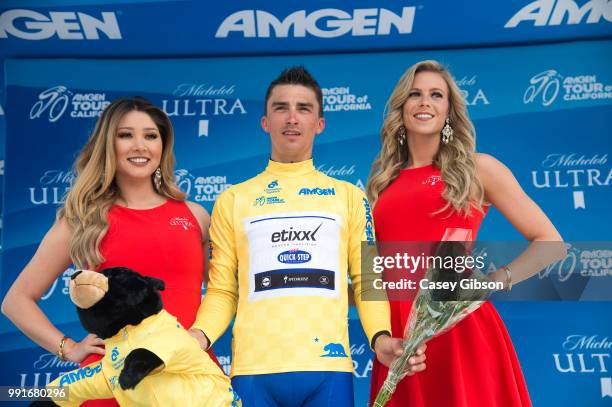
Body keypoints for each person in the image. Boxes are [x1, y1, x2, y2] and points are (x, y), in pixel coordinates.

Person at [188, 66, 426, 407]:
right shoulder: (233, 199)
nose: (292, 118)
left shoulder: (347, 197)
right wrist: (198, 336)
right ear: (265, 122)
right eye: (280, 108)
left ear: (320, 123)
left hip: (328, 370)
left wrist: (381, 339)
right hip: (253, 371)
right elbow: (223, 290)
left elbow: (367, 280)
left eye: (304, 108)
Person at [367, 60, 566, 406]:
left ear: (449, 111)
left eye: (436, 95)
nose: (425, 102)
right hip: (401, 343)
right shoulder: (381, 182)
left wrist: (493, 281)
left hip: (461, 330)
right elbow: (373, 271)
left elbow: (550, 243)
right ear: (402, 108)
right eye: (415, 94)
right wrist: (382, 338)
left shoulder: (477, 169)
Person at [2, 97, 217, 407]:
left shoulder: (196, 216)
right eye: (126, 135)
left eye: (151, 135)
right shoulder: (83, 218)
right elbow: (16, 300)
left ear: (163, 146)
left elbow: (224, 292)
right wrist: (69, 347)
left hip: (189, 385)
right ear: (108, 144)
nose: (140, 145)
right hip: (113, 387)